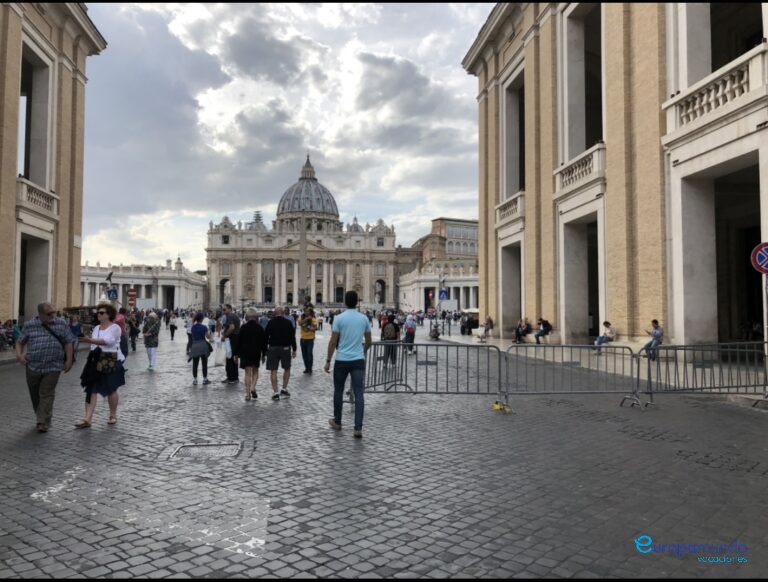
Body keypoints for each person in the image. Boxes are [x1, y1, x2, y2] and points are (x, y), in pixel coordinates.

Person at [15, 303, 74, 433]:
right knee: (34, 393)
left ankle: (42, 421)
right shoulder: (29, 325)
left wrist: (69, 360)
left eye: (54, 312)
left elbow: (68, 342)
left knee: (46, 392)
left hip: (53, 365)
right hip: (33, 365)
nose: (53, 315)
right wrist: (19, 355)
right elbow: (20, 341)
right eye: (49, 314)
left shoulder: (61, 323)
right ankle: (42, 414)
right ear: (40, 314)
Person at [325, 291, 372, 438]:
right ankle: (358, 427)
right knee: (359, 393)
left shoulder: (339, 318)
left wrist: (328, 361)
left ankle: (337, 421)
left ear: (345, 302)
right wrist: (362, 352)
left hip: (341, 360)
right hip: (358, 360)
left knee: (338, 391)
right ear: (357, 301)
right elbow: (369, 341)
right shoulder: (364, 318)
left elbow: (333, 342)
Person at [76, 303, 126, 428]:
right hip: (96, 360)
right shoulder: (97, 328)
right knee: (91, 389)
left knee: (111, 388)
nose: (99, 314)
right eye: (98, 312)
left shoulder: (115, 328)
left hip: (110, 360)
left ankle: (113, 415)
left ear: (109, 314)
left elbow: (108, 341)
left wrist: (89, 340)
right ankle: (87, 418)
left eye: (102, 313)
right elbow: (94, 345)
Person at [264, 306, 297, 399]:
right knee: (287, 368)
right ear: (283, 313)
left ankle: (275, 393)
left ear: (275, 313)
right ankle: (284, 389)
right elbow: (292, 337)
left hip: (273, 348)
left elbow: (265, 336)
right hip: (285, 348)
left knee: (273, 370)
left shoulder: (270, 322)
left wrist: (264, 349)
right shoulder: (288, 323)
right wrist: (294, 349)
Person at [236, 308, 268, 400]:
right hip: (256, 352)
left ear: (248, 317)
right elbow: (264, 343)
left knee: (247, 373)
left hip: (245, 352)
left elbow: (238, 341)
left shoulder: (243, 327)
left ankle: (247, 394)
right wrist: (264, 354)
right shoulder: (259, 328)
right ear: (255, 317)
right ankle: (253, 387)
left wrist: (236, 354)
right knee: (255, 371)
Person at [186, 311, 212, 386]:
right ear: (202, 319)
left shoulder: (193, 327)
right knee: (204, 363)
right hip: (203, 346)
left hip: (195, 346)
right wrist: (209, 332)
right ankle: (204, 379)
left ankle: (195, 380)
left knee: (195, 364)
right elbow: (208, 337)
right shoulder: (204, 327)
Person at [220, 304, 241, 384]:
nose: (223, 311)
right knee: (234, 358)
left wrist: (224, 335)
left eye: (224, 309)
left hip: (232, 339)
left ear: (229, 309)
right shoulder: (235, 316)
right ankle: (235, 377)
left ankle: (230, 378)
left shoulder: (229, 316)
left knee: (229, 358)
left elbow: (232, 327)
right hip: (236, 339)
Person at [298, 305, 318, 374]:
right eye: (305, 311)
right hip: (303, 338)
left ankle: (310, 368)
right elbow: (299, 323)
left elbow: (315, 328)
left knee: (309, 354)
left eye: (308, 311)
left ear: (310, 312)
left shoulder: (313, 318)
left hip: (310, 339)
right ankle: (306, 368)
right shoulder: (301, 317)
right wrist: (306, 319)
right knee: (304, 355)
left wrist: (310, 327)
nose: (306, 312)